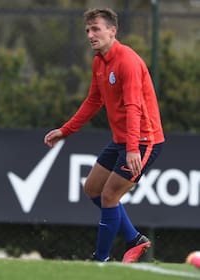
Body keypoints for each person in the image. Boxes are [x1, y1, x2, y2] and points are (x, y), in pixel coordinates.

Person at [44, 8, 164, 263]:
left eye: (96, 28)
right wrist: (65, 130)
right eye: (88, 30)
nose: (90, 34)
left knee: (110, 195)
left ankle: (101, 260)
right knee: (92, 188)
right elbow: (93, 100)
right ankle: (134, 239)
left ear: (112, 31)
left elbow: (134, 106)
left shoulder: (127, 61)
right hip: (123, 140)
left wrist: (133, 148)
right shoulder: (99, 62)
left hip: (143, 141)